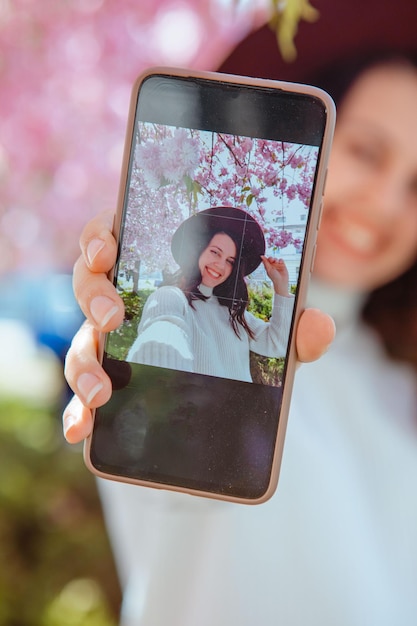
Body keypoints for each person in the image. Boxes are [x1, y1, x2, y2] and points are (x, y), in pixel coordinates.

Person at [63, 49, 417, 626]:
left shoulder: (391, 376)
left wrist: (278, 293)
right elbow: (169, 486)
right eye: (367, 152)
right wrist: (127, 356)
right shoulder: (175, 312)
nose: (385, 204)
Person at [125, 206, 293, 383]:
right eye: (215, 252)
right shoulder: (171, 297)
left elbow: (278, 344)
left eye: (230, 261)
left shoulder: (235, 314)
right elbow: (161, 340)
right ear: (199, 251)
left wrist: (280, 287)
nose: (220, 265)